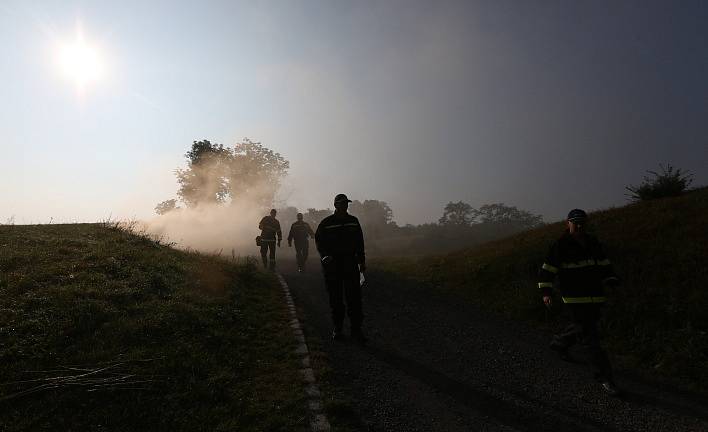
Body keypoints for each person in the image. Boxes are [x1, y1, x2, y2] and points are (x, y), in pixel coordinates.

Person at [538, 209, 621, 395]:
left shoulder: (593, 243)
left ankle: (560, 343)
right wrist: (546, 292)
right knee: (590, 338)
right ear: (568, 223)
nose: (579, 225)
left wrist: (611, 279)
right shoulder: (560, 245)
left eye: (583, 221)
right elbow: (547, 270)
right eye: (575, 222)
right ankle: (606, 378)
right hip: (574, 297)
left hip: (595, 295)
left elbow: (604, 265)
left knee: (582, 328)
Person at [315, 194, 367, 343]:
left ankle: (356, 330)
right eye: (342, 203)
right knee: (335, 298)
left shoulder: (353, 221)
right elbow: (319, 242)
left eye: (346, 203)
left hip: (350, 264)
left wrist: (362, 262)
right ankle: (338, 329)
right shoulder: (326, 223)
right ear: (335, 205)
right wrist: (324, 256)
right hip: (332, 266)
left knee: (354, 299)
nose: (345, 206)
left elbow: (360, 243)